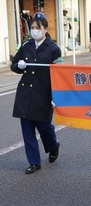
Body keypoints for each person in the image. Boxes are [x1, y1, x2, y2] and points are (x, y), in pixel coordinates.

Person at [11, 15, 61, 174]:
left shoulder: (53, 48)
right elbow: (14, 65)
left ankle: (53, 145)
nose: (35, 31)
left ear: (45, 29)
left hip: (43, 94)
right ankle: (34, 162)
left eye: (38, 28)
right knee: (27, 130)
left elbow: (59, 74)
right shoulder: (26, 46)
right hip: (25, 94)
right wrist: (19, 66)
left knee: (44, 127)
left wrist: (56, 96)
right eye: (33, 28)